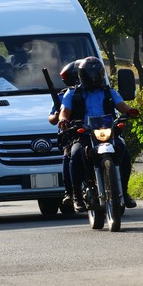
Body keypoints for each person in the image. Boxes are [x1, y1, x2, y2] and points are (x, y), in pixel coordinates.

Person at [57, 56, 138, 212]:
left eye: (96, 74)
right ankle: (77, 197)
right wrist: (64, 121)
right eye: (90, 74)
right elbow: (64, 113)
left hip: (108, 131)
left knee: (124, 152)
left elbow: (122, 106)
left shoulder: (109, 92)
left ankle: (125, 192)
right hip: (84, 133)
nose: (94, 78)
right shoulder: (72, 93)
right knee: (75, 153)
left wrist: (130, 112)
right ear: (82, 75)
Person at [48, 59, 81, 209]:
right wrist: (57, 117)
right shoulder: (64, 96)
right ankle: (70, 192)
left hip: (90, 131)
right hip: (70, 134)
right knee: (69, 156)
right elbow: (52, 119)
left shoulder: (96, 92)